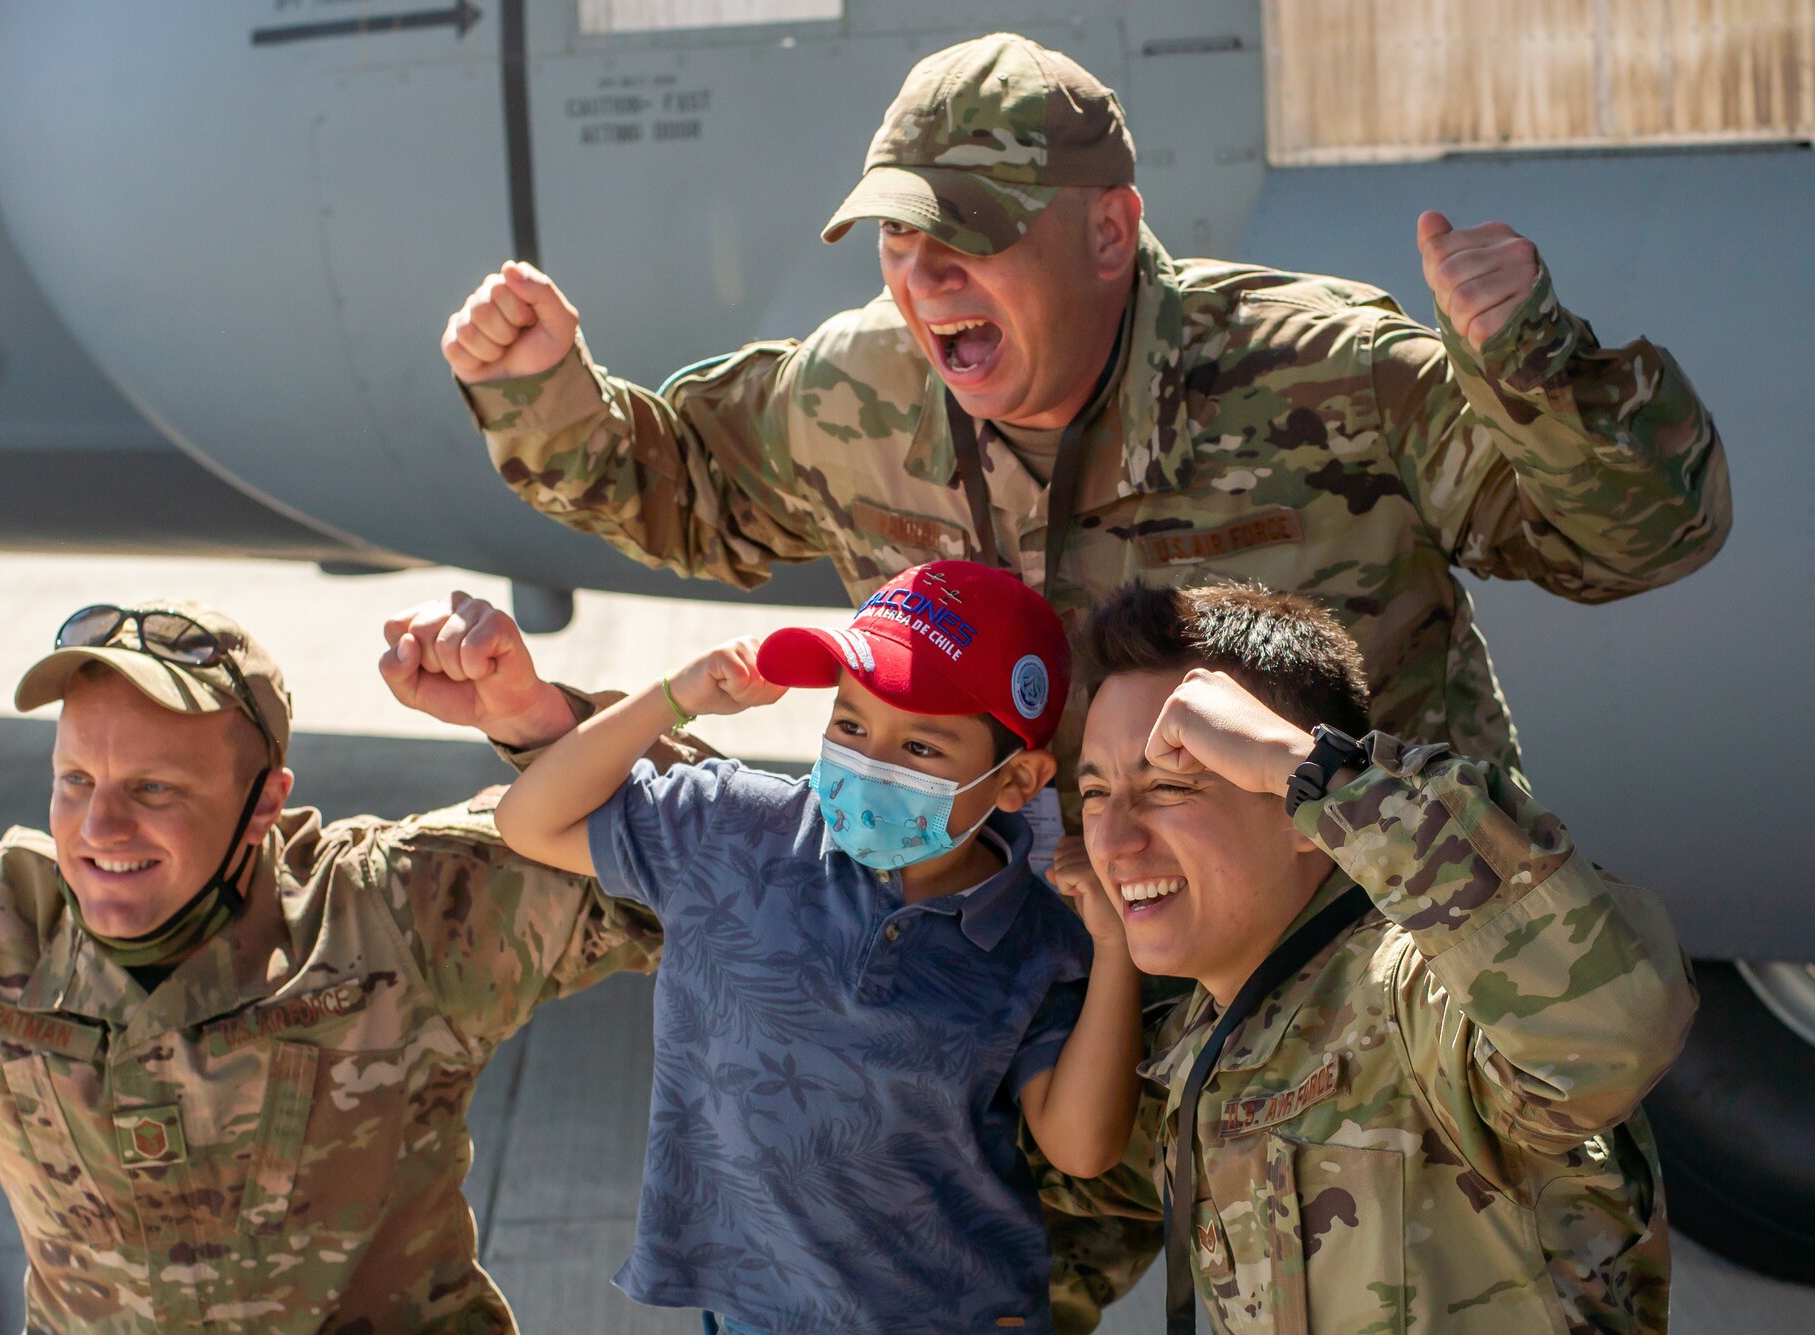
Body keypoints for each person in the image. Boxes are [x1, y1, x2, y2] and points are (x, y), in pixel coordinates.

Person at [441, 32, 1729, 1322]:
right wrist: (544, 396)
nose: (924, 275)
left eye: (969, 235)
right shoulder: (855, 395)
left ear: (1109, 234)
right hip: (1060, 994)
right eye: (897, 238)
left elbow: (1629, 537)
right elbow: (685, 490)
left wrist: (1534, 369)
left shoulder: (1321, 375)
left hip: (1360, 1020)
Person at [0, 597, 682, 1333]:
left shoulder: (396, 915)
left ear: (266, 801)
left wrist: (538, 723)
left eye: (154, 790)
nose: (98, 830)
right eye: (75, 780)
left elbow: (731, 879)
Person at [493, 561, 1143, 1334]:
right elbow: (529, 821)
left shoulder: (1035, 937)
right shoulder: (730, 828)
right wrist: (674, 695)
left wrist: (1115, 950)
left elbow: (1080, 1147)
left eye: (923, 748)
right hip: (755, 1314)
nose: (872, 762)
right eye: (851, 725)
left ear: (1017, 780)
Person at [1055, 580, 1693, 1332]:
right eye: (1096, 794)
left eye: (1168, 785)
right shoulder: (1205, 1038)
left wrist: (1315, 766)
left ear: (1299, 811)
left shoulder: (1412, 994)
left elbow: (1612, 1025)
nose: (1115, 840)